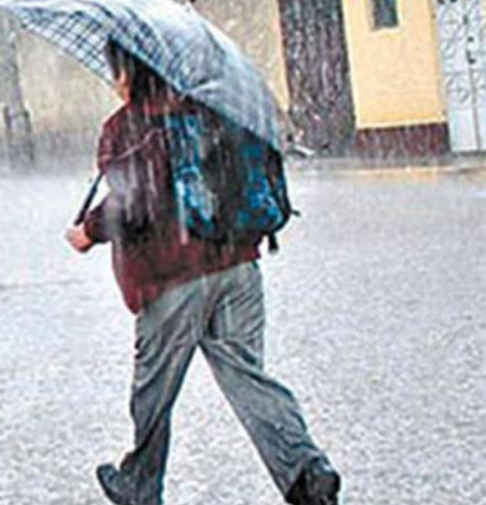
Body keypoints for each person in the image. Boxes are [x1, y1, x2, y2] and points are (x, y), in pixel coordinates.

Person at [64, 41, 340, 505]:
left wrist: (88, 232)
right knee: (246, 375)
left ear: (130, 73)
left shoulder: (128, 126)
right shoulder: (219, 108)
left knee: (154, 390)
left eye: (117, 72)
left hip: (171, 276)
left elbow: (134, 203)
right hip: (238, 264)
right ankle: (306, 471)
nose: (114, 83)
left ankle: (140, 484)